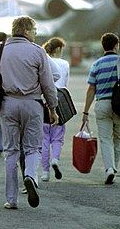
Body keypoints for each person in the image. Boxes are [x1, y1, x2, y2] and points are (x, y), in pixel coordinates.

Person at [0, 16, 58, 209]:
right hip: (32, 103)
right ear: (26, 31)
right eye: (34, 30)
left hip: (8, 103)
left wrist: (3, 77)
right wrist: (53, 107)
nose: (36, 33)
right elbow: (48, 84)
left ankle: (11, 199)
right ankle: (30, 177)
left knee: (11, 151)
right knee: (32, 148)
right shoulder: (37, 51)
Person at [81, 32, 120, 185]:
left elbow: (91, 90)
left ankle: (109, 169)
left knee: (105, 139)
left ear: (103, 46)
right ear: (116, 46)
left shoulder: (97, 64)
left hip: (102, 105)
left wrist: (85, 111)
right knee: (118, 140)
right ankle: (114, 168)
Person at [41, 37, 70, 182]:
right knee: (58, 137)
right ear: (58, 50)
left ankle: (45, 172)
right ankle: (55, 160)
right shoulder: (64, 64)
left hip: (44, 99)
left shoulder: (44, 61)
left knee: (44, 138)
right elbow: (65, 84)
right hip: (60, 101)